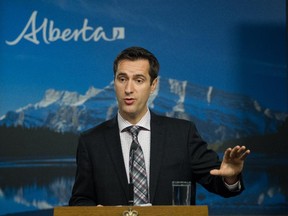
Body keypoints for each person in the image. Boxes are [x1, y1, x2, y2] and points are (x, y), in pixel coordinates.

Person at [69, 46, 250, 206]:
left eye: (138, 80)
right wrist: (96, 212)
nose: (128, 89)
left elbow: (218, 182)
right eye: (122, 79)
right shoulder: (91, 141)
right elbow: (80, 199)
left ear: (153, 85)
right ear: (114, 82)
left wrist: (230, 177)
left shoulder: (183, 134)